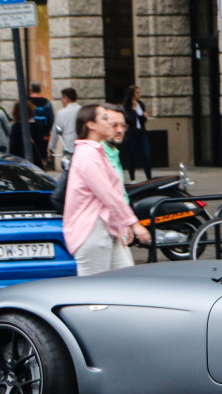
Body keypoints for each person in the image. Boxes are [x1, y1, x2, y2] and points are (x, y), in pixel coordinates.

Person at [62, 103, 150, 276]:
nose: (110, 123)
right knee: (94, 293)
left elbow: (113, 195)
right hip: (92, 231)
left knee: (127, 281)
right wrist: (133, 223)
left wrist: (122, 225)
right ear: (91, 124)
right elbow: (108, 195)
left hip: (106, 229)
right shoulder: (87, 154)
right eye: (105, 118)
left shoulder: (96, 151)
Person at [121, 84, 152, 181]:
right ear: (132, 94)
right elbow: (129, 120)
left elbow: (142, 120)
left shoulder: (141, 104)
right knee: (132, 155)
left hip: (141, 132)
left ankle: (149, 177)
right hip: (131, 134)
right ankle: (132, 178)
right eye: (137, 93)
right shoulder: (126, 106)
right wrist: (134, 110)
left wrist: (144, 116)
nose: (139, 95)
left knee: (146, 155)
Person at [49, 88, 81, 168]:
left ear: (66, 99)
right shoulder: (82, 110)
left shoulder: (61, 113)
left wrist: (51, 148)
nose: (61, 100)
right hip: (81, 148)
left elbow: (56, 132)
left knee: (67, 174)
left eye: (61, 98)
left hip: (68, 147)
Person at [28, 82, 53, 156]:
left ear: (30, 89)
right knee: (42, 157)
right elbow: (51, 120)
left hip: (29, 135)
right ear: (40, 90)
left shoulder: (25, 101)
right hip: (44, 135)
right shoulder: (47, 102)